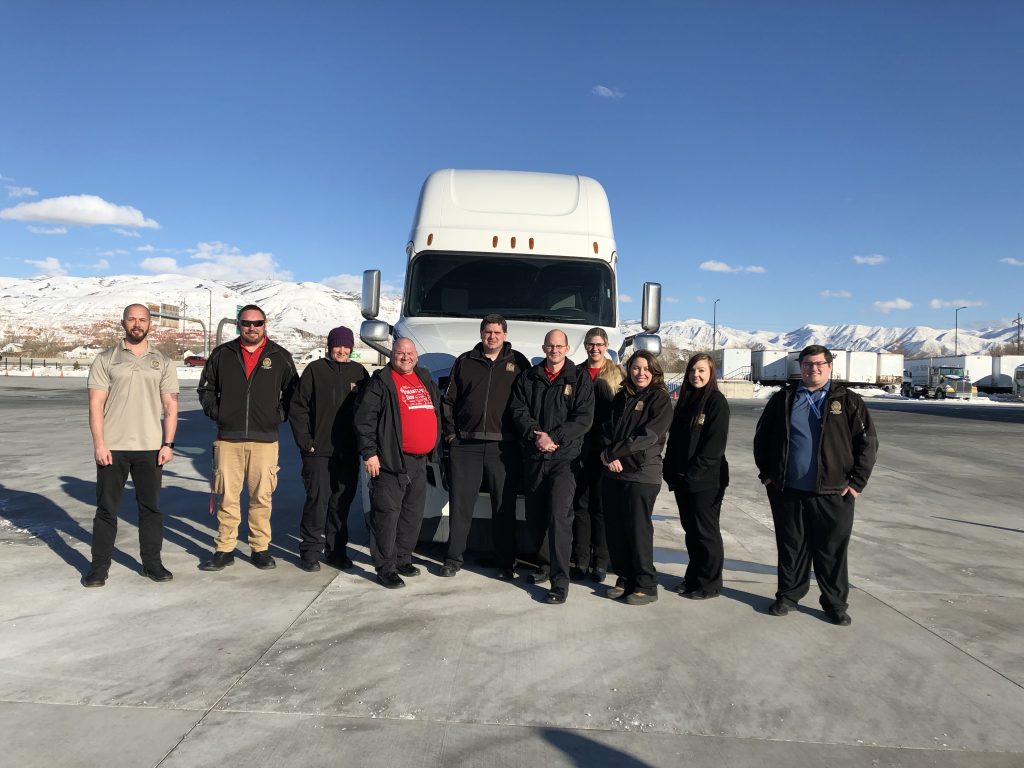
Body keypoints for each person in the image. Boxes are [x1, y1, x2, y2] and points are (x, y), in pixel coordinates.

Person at [753, 345, 878, 626]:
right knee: (791, 547)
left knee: (831, 550)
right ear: (801, 367)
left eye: (819, 364)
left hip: (834, 491)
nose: (814, 369)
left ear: (830, 366)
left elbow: (867, 443)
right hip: (788, 490)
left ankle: (834, 604)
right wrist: (768, 475)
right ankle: (788, 596)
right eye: (808, 364)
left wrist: (857, 483)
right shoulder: (783, 399)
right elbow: (762, 439)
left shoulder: (847, 401)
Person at [84, 303, 179, 587]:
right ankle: (99, 568)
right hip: (113, 447)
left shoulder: (162, 361)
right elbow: (95, 405)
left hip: (150, 448)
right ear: (123, 323)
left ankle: (152, 564)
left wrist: (168, 443)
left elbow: (171, 406)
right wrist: (100, 445)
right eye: (132, 319)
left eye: (143, 319)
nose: (137, 324)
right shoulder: (106, 359)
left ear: (151, 324)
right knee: (106, 511)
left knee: (150, 510)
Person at [197, 304, 297, 572]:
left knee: (261, 497)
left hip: (264, 438)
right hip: (228, 438)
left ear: (265, 325)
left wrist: (278, 415)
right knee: (227, 496)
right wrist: (218, 413)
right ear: (238, 325)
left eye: (257, 323)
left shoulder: (280, 356)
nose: (251, 328)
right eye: (246, 323)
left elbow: (293, 393)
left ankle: (260, 548)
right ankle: (225, 548)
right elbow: (206, 389)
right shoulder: (222, 354)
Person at [440, 315, 530, 579]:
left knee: (504, 506)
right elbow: (448, 402)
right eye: (488, 331)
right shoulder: (465, 361)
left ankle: (505, 563)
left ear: (505, 334)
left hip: (504, 448)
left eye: (497, 332)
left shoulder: (519, 363)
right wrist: (451, 436)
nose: (492, 336)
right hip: (465, 445)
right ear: (481, 334)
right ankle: (453, 559)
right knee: (460, 505)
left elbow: (528, 402)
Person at [509, 329, 594, 604]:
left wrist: (554, 437)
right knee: (535, 515)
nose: (554, 350)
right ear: (544, 347)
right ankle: (544, 565)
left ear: (567, 348)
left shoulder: (579, 379)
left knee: (559, 517)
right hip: (534, 456)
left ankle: (560, 582)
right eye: (550, 345)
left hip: (564, 459)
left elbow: (583, 418)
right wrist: (536, 434)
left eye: (560, 346)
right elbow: (517, 411)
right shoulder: (529, 377)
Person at [355, 337, 441, 589]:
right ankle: (385, 567)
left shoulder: (424, 377)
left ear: (416, 355)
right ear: (392, 354)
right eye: (400, 352)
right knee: (386, 515)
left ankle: (403, 558)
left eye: (410, 352)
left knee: (412, 514)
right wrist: (369, 453)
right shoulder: (381, 382)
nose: (405, 356)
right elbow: (364, 420)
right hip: (391, 460)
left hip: (419, 460)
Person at [288, 325, 368, 572]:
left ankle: (336, 552)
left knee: (340, 504)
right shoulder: (315, 370)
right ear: (329, 346)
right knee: (317, 503)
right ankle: (310, 552)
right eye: (338, 345)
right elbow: (298, 408)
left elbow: (369, 410)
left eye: (346, 346)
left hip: (348, 453)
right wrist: (306, 442)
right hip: (318, 452)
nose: (342, 350)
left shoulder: (360, 373)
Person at [600, 350, 673, 605]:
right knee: (616, 529)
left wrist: (614, 453)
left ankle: (645, 584)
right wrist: (610, 455)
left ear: (654, 372)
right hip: (614, 471)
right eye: (635, 368)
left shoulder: (660, 399)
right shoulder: (623, 397)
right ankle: (625, 577)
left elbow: (649, 437)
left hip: (642, 474)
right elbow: (607, 428)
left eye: (645, 368)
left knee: (638, 530)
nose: (639, 373)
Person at [663, 353, 730, 599]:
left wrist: (692, 476)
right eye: (693, 370)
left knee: (706, 532)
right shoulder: (686, 400)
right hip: (683, 480)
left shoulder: (716, 402)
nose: (696, 375)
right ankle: (693, 576)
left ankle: (709, 583)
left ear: (711, 373)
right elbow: (676, 440)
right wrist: (669, 470)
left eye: (702, 371)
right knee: (692, 532)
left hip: (705, 482)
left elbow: (713, 448)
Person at [570, 327, 623, 583]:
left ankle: (600, 562)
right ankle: (580, 560)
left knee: (600, 508)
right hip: (580, 449)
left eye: (599, 344)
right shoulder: (577, 373)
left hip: (604, 450)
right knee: (580, 505)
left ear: (606, 345)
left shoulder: (616, 374)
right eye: (590, 344)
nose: (595, 348)